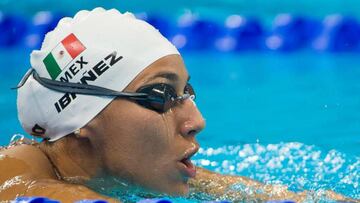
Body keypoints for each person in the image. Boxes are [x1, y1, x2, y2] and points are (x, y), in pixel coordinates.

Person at [0, 8, 355, 203]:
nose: (196, 120)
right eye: (160, 96)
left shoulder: (123, 171)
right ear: (82, 116)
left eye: (187, 92)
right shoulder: (15, 183)